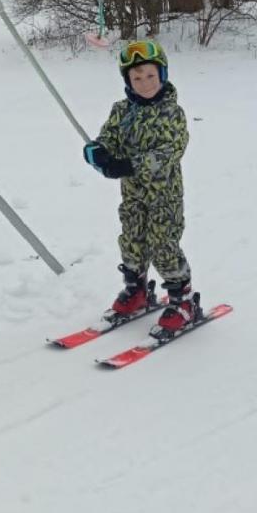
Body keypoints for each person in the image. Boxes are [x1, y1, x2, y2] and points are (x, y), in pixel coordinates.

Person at [83, 39, 196, 332]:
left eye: (150, 75)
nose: (144, 83)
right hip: (132, 193)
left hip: (164, 196)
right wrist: (99, 152)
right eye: (136, 77)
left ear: (163, 75)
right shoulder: (121, 110)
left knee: (162, 244)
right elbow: (110, 137)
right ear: (127, 81)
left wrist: (131, 165)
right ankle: (137, 290)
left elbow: (170, 151)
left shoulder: (173, 113)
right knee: (132, 239)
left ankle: (183, 300)